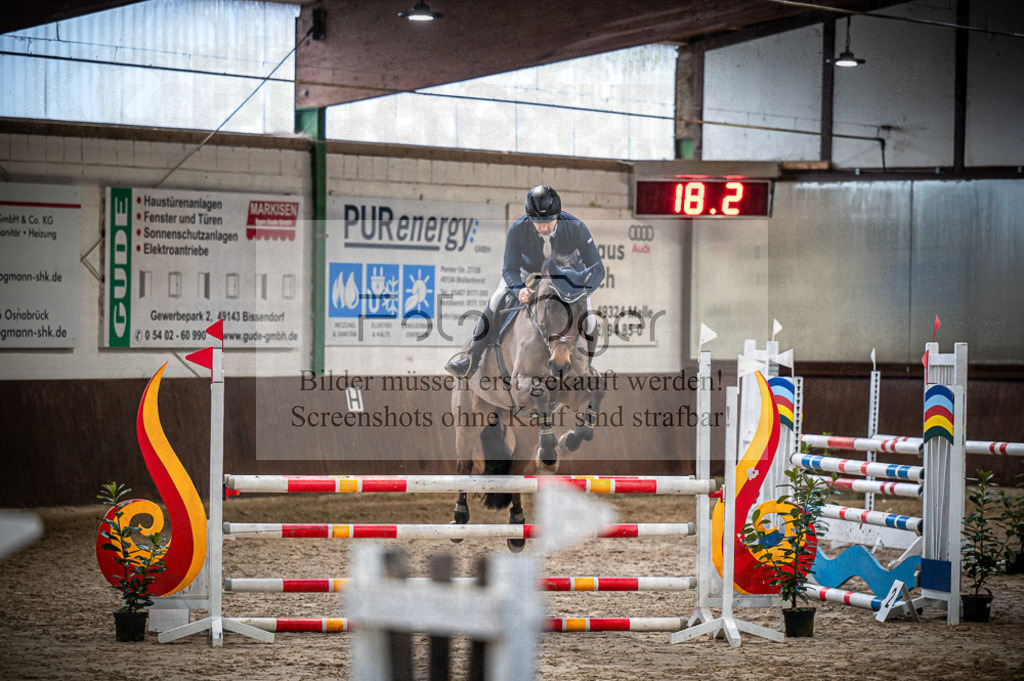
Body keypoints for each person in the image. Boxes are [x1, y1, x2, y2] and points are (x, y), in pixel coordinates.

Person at [445, 185, 605, 379]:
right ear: (530, 218)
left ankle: (588, 369)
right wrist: (519, 289)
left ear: (558, 215)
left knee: (590, 319)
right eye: (538, 222)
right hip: (528, 273)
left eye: (549, 221)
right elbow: (509, 269)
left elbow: (598, 269)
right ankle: (472, 357)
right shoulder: (518, 229)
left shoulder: (576, 227)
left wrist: (583, 291)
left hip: (566, 278)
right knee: (496, 299)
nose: (544, 227)